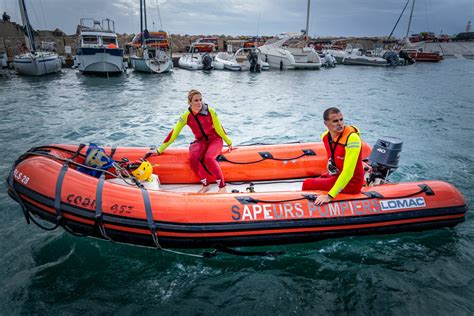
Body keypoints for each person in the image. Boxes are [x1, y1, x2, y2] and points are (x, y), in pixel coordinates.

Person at [156, 89, 233, 193]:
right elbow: (174, 134)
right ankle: (206, 185)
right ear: (190, 102)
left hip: (215, 140)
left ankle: (222, 187)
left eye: (201, 99)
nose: (199, 102)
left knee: (209, 158)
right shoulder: (185, 116)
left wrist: (229, 142)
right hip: (200, 141)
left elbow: (220, 129)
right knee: (193, 158)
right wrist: (159, 150)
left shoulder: (211, 111)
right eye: (196, 100)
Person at [302, 107, 364, 205]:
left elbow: (348, 172)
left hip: (352, 182)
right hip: (337, 175)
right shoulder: (325, 137)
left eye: (341, 119)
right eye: (335, 121)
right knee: (319, 178)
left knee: (307, 183)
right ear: (326, 123)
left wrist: (329, 196)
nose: (340, 123)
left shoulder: (352, 138)